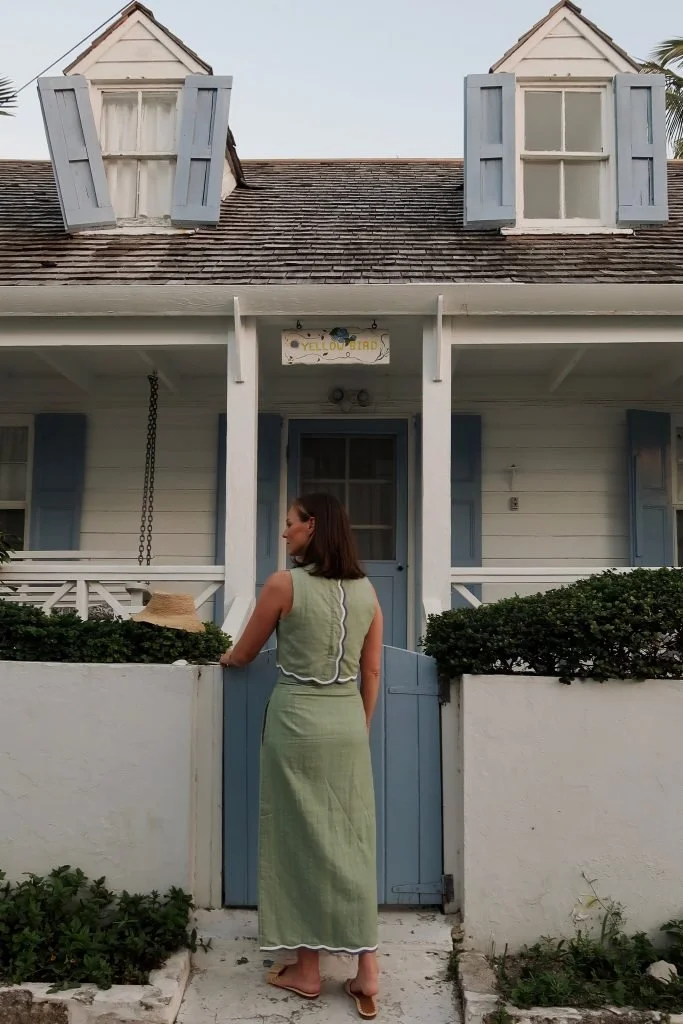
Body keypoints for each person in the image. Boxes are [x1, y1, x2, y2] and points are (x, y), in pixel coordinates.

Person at [220, 492, 383, 1020]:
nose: (284, 531)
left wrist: (224, 656)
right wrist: (359, 725)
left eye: (290, 523)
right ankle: (367, 970)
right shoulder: (367, 590)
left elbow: (245, 653)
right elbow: (372, 670)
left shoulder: (283, 584)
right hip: (347, 722)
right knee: (352, 841)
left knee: (297, 840)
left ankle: (308, 971)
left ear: (311, 526)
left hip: (296, 722)